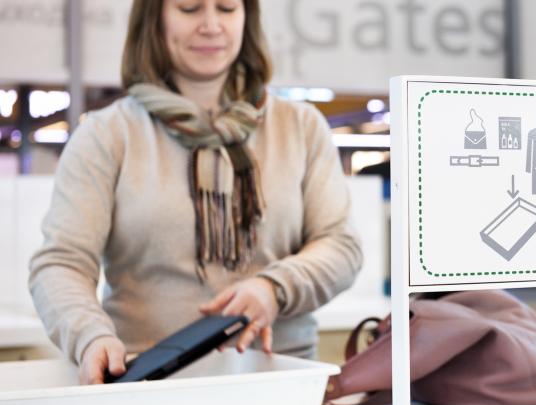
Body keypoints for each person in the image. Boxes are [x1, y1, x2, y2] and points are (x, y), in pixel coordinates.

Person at [28, 0, 362, 385]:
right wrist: (89, 335)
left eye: (226, 8)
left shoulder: (301, 126)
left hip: (282, 379)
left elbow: (341, 245)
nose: (210, 25)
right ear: (154, 18)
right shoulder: (107, 134)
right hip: (150, 382)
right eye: (189, 8)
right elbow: (60, 263)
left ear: (246, 18)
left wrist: (274, 288)